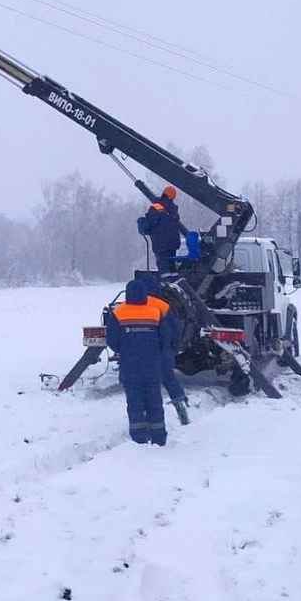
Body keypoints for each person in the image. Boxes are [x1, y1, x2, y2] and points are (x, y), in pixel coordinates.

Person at [104, 279, 167, 446]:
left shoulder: (118, 312)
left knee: (135, 402)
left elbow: (111, 339)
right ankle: (159, 437)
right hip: (152, 365)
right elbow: (165, 338)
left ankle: (139, 438)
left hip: (129, 365)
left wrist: (124, 350)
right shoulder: (155, 312)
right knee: (155, 401)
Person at [145, 290, 190, 424]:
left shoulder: (127, 307)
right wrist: (174, 347)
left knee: (142, 385)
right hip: (162, 352)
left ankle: (144, 420)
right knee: (169, 379)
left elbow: (115, 336)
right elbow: (176, 329)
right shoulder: (163, 306)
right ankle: (182, 411)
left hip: (138, 354)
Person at [142, 185, 182, 274]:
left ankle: (165, 279)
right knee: (171, 264)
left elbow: (151, 223)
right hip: (173, 243)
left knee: (163, 265)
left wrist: (145, 227)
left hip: (160, 243)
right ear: (173, 196)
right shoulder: (173, 209)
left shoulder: (156, 207)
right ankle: (173, 278)